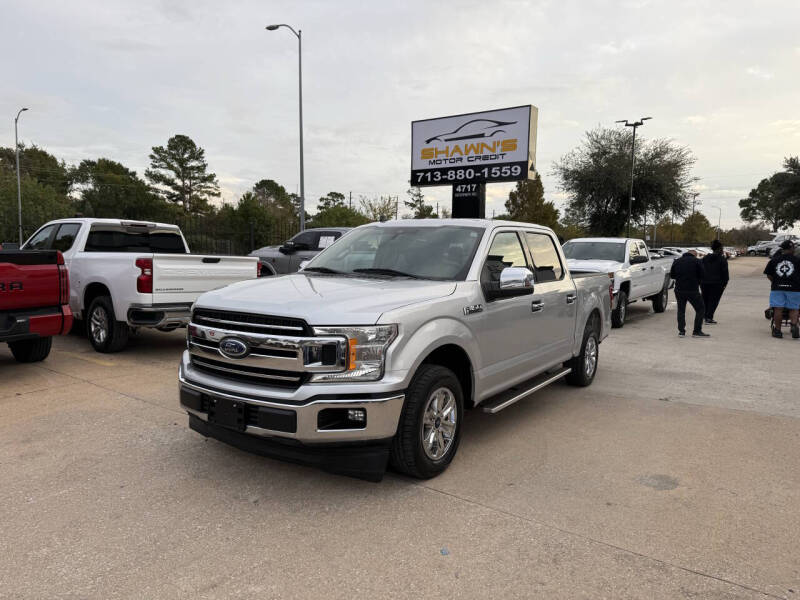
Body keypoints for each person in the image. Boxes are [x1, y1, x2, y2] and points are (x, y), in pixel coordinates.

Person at [763, 240, 800, 339]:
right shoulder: (798, 260)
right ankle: (793, 325)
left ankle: (778, 331)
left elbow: (769, 274)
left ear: (782, 249)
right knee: (794, 308)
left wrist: (774, 282)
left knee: (777, 308)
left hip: (777, 288)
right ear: (791, 249)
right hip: (794, 288)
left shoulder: (774, 260)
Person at [669, 249, 709, 337]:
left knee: (681, 310)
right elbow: (703, 275)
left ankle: (681, 332)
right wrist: (697, 281)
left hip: (679, 290)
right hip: (692, 290)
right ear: (694, 255)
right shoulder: (697, 261)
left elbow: (672, 275)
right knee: (700, 309)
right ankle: (697, 331)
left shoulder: (677, 261)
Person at [701, 239, 729, 324]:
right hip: (717, 283)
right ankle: (709, 318)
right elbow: (725, 273)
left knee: (705, 299)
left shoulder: (705, 258)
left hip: (704, 282)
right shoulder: (722, 259)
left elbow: (700, 269)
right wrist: (725, 283)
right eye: (722, 248)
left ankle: (704, 316)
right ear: (720, 248)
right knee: (713, 301)